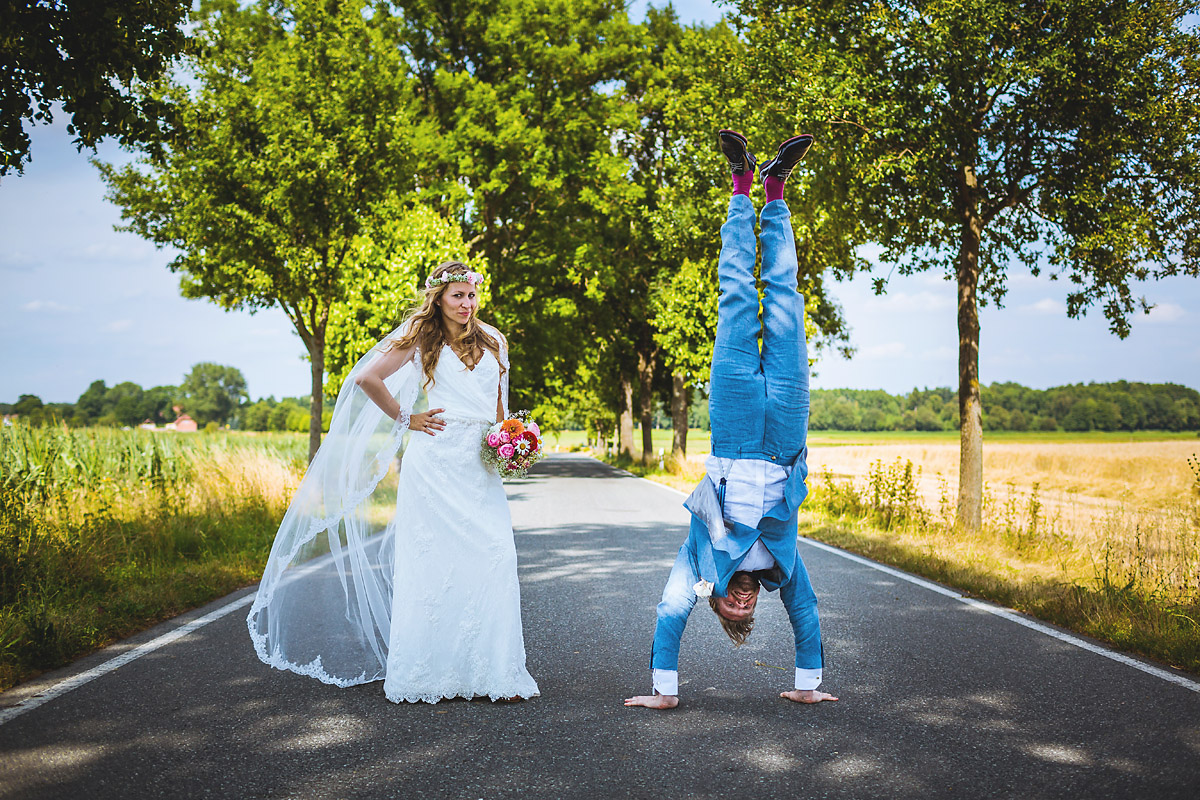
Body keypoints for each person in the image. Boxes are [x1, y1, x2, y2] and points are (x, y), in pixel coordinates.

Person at [247, 261, 539, 704]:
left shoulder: (495, 339)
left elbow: (499, 403)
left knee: (495, 554)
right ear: (439, 297)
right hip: (435, 461)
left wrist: (511, 440)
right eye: (457, 295)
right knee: (434, 563)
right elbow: (366, 377)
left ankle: (497, 673)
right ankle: (428, 673)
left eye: (471, 295)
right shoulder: (423, 337)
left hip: (478, 465)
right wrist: (407, 418)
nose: (466, 303)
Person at [625, 130, 837, 710]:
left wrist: (663, 693)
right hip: (787, 438)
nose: (741, 603)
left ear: (716, 599)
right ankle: (777, 191)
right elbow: (808, 614)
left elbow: (670, 612)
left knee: (738, 300)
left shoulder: (700, 562)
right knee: (789, 305)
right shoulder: (781, 568)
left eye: (730, 607)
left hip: (735, 428)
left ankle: (742, 184)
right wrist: (808, 688)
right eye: (746, 608)